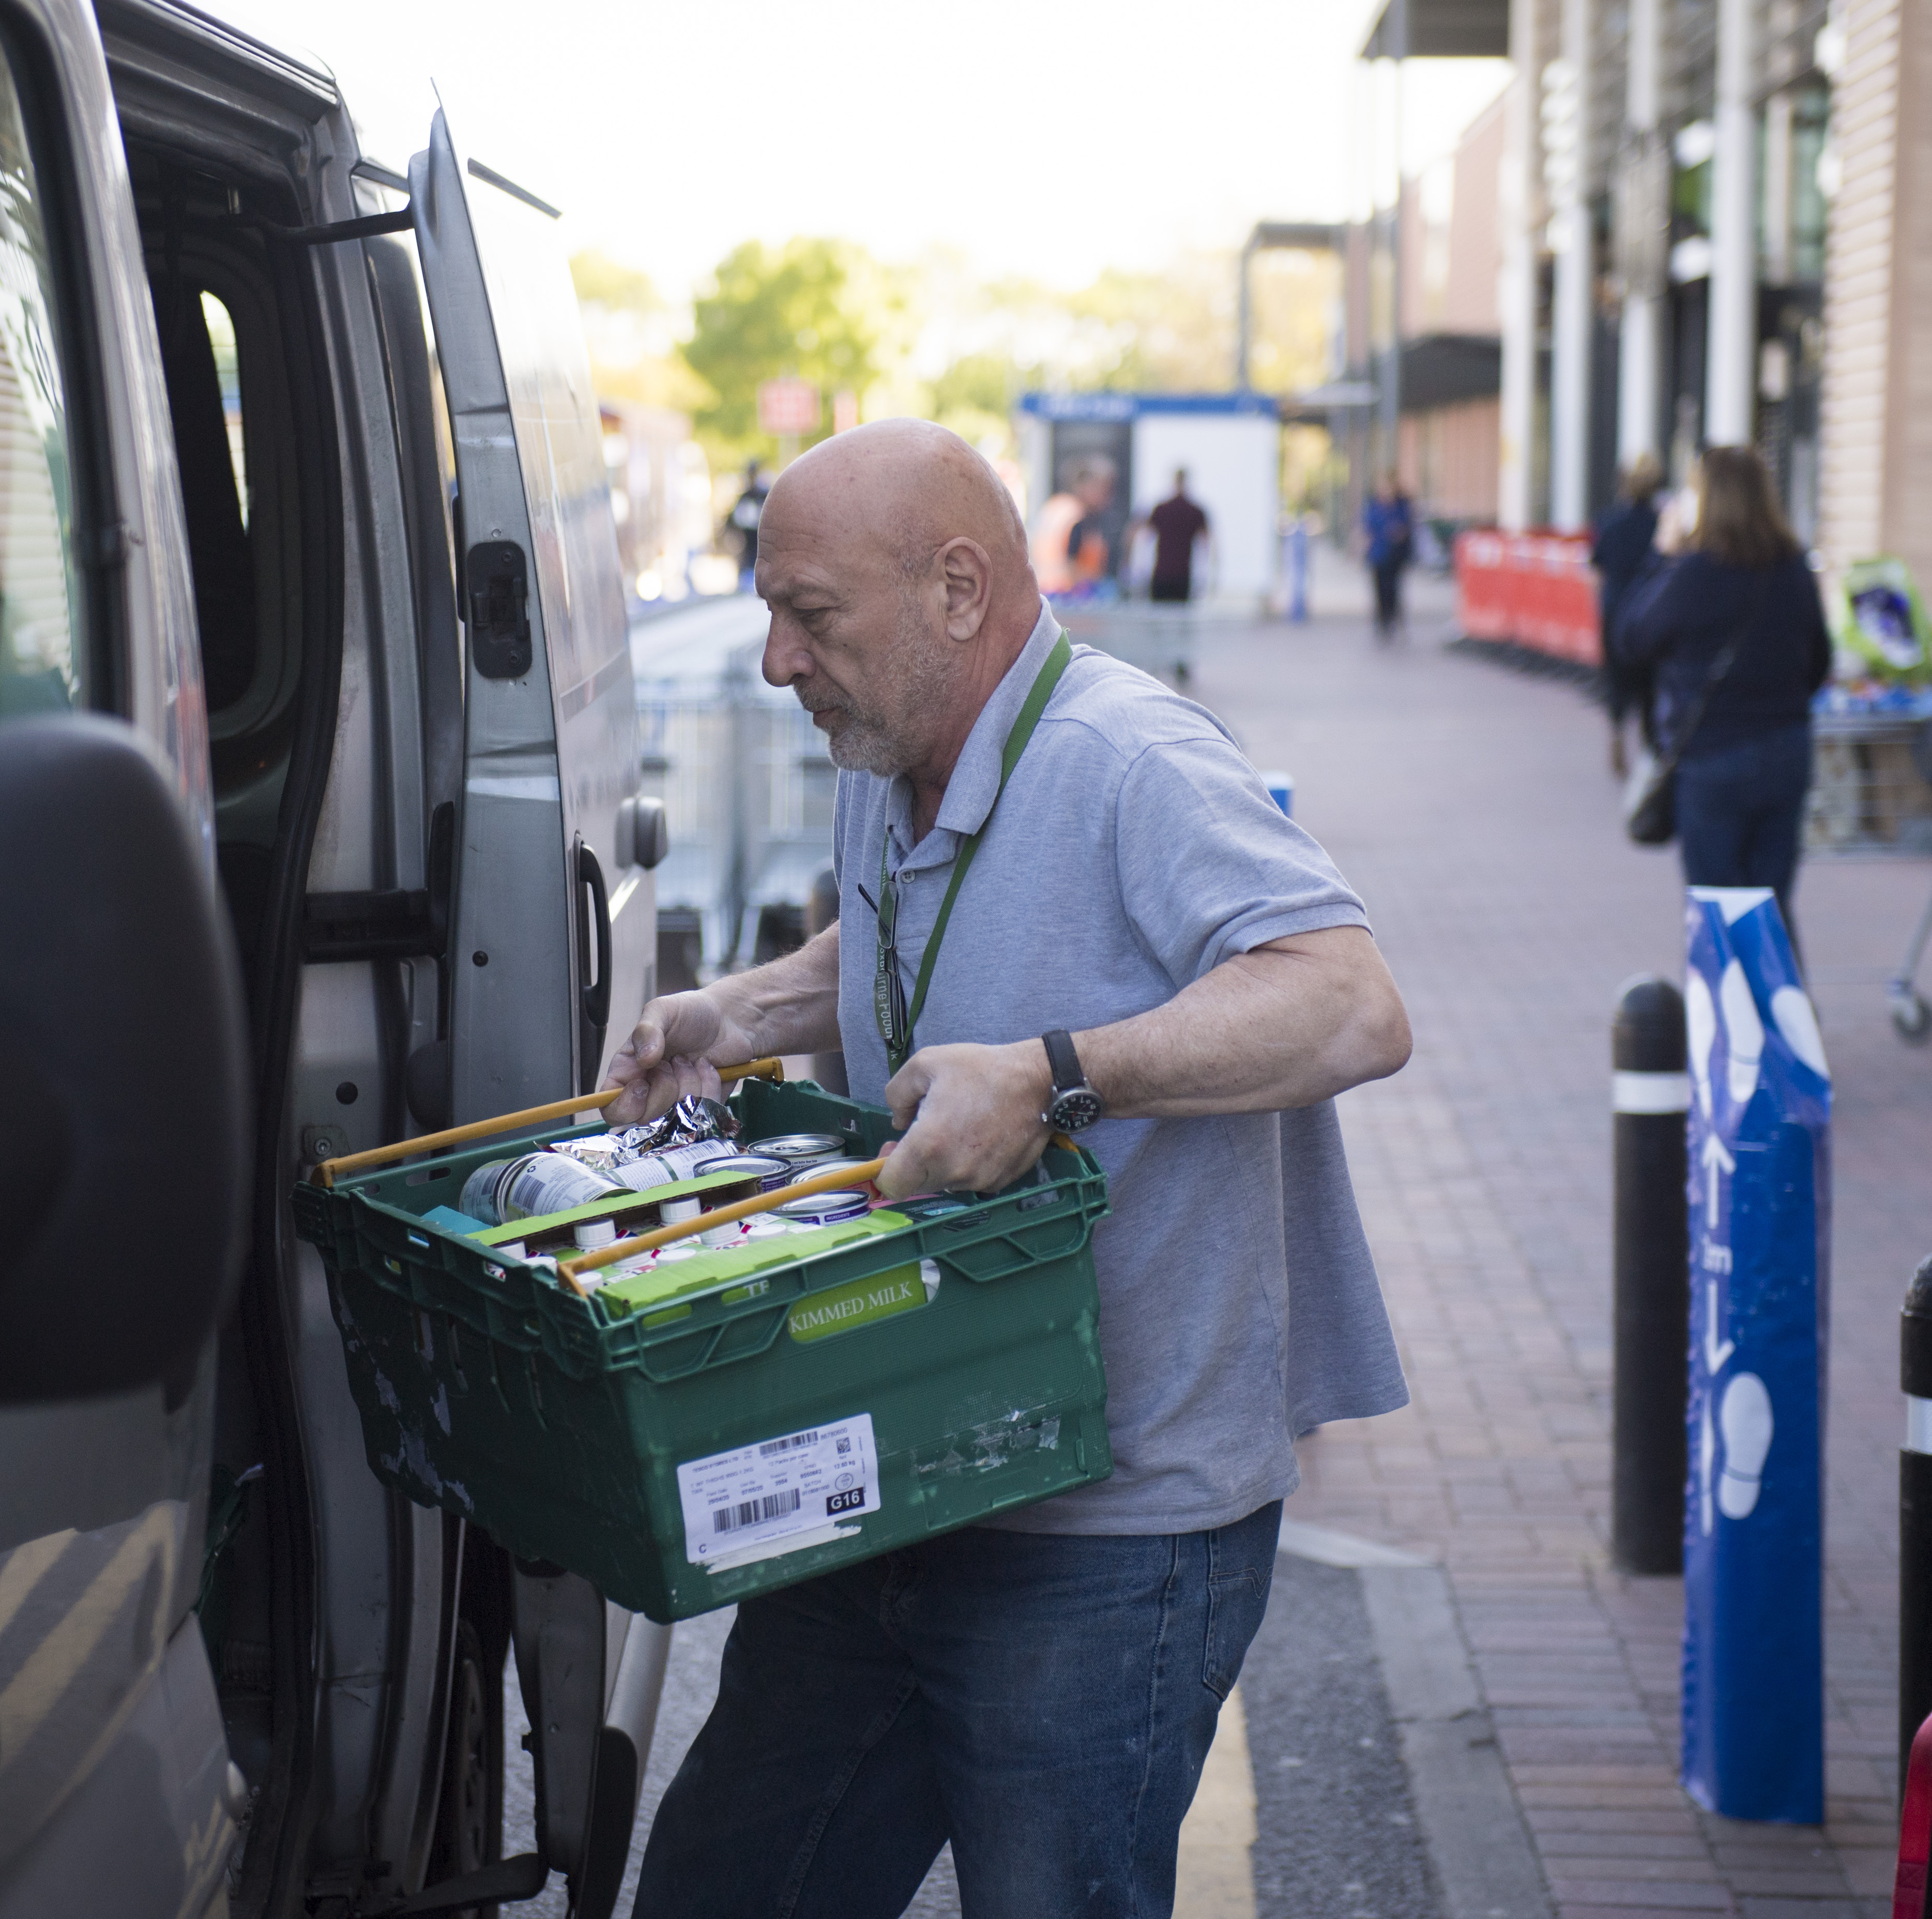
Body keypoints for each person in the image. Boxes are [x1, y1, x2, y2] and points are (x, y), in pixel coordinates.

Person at [605, 418, 1413, 1918]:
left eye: (811, 615)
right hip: (904, 1462)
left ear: (960, 592)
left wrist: (1054, 1076)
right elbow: (896, 930)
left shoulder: (1132, 757)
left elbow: (1349, 999)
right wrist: (747, 1009)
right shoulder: (893, 737)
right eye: (770, 608)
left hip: (1111, 1529)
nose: (775, 659)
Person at [1613, 446, 1832, 916]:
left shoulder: (1696, 573)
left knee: (1717, 908)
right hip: (1787, 751)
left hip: (1714, 756)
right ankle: (1776, 990)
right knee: (1771, 906)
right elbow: (1819, 662)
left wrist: (1659, 555)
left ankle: (1722, 991)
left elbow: (1631, 637)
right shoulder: (1795, 569)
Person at [1590, 453, 1666, 775]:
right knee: (1651, 684)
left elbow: (1598, 569)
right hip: (1652, 612)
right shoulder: (1663, 525)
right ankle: (1652, 749)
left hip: (1616, 611)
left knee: (1616, 679)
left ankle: (1617, 730)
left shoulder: (1609, 523)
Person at [1031, 454, 1116, 596]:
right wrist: (1095, 581)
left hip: (1044, 591)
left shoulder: (1056, 507)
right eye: (1105, 490)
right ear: (1088, 486)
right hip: (1068, 596)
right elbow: (1070, 564)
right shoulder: (1077, 517)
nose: (1108, 499)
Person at [1134, 466, 1211, 603]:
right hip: (1182, 574)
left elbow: (1145, 538)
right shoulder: (1195, 511)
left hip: (1163, 573)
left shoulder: (1162, 509)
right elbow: (1206, 543)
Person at [1362, 473, 1417, 643]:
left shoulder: (1402, 507)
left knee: (1393, 589)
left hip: (1396, 556)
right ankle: (1382, 622)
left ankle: (1394, 619)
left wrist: (1399, 533)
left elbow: (1408, 528)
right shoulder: (1374, 506)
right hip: (1378, 555)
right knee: (1380, 590)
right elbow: (1367, 529)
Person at [728, 458, 771, 590]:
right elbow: (733, 522)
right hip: (748, 552)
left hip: (761, 553)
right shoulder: (746, 497)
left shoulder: (764, 496)